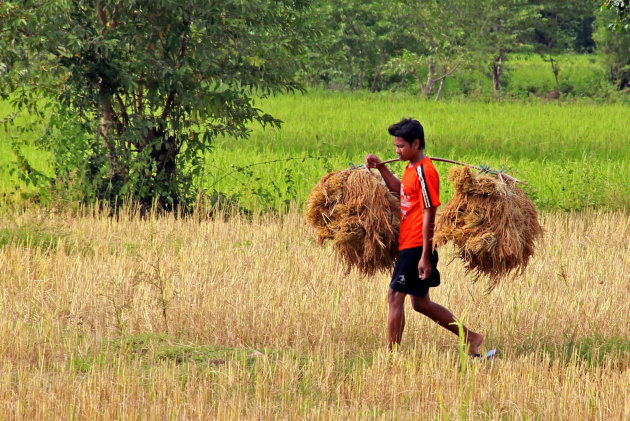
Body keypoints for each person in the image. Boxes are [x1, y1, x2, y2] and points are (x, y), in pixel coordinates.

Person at [365, 118, 484, 356]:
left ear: (416, 143)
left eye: (400, 146)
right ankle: (471, 337)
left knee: (394, 296)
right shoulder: (411, 169)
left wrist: (425, 256)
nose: (396, 151)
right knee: (420, 303)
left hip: (418, 243)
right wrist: (381, 167)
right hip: (409, 242)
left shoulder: (425, 171)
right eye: (395, 146)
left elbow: (430, 211)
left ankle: (391, 355)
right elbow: (401, 192)